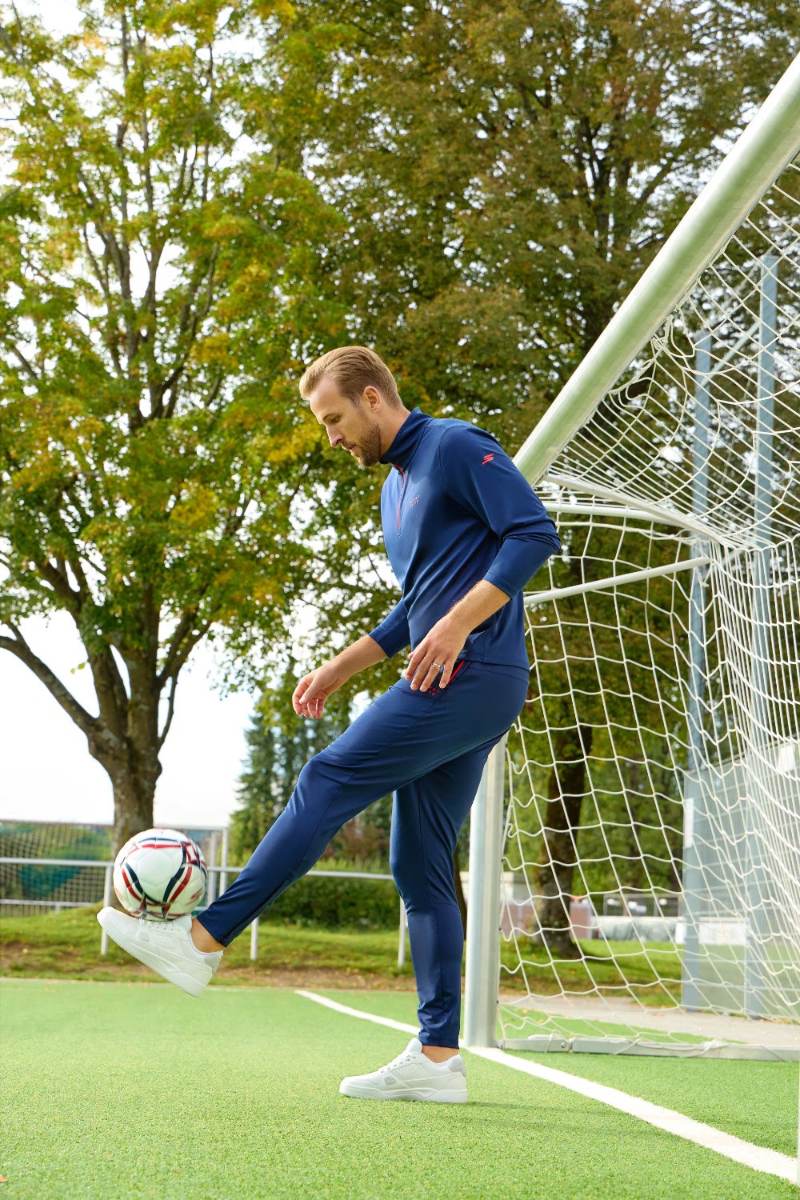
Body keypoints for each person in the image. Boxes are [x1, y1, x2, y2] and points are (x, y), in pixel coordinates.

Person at [98, 345, 561, 1103]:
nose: (332, 437)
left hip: (470, 674)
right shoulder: (395, 491)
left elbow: (533, 533)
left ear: (374, 397)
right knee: (420, 862)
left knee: (329, 775)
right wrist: (339, 667)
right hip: (460, 678)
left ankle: (201, 939)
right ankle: (440, 1060)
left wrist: (454, 628)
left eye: (335, 419)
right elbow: (416, 606)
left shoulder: (453, 444)